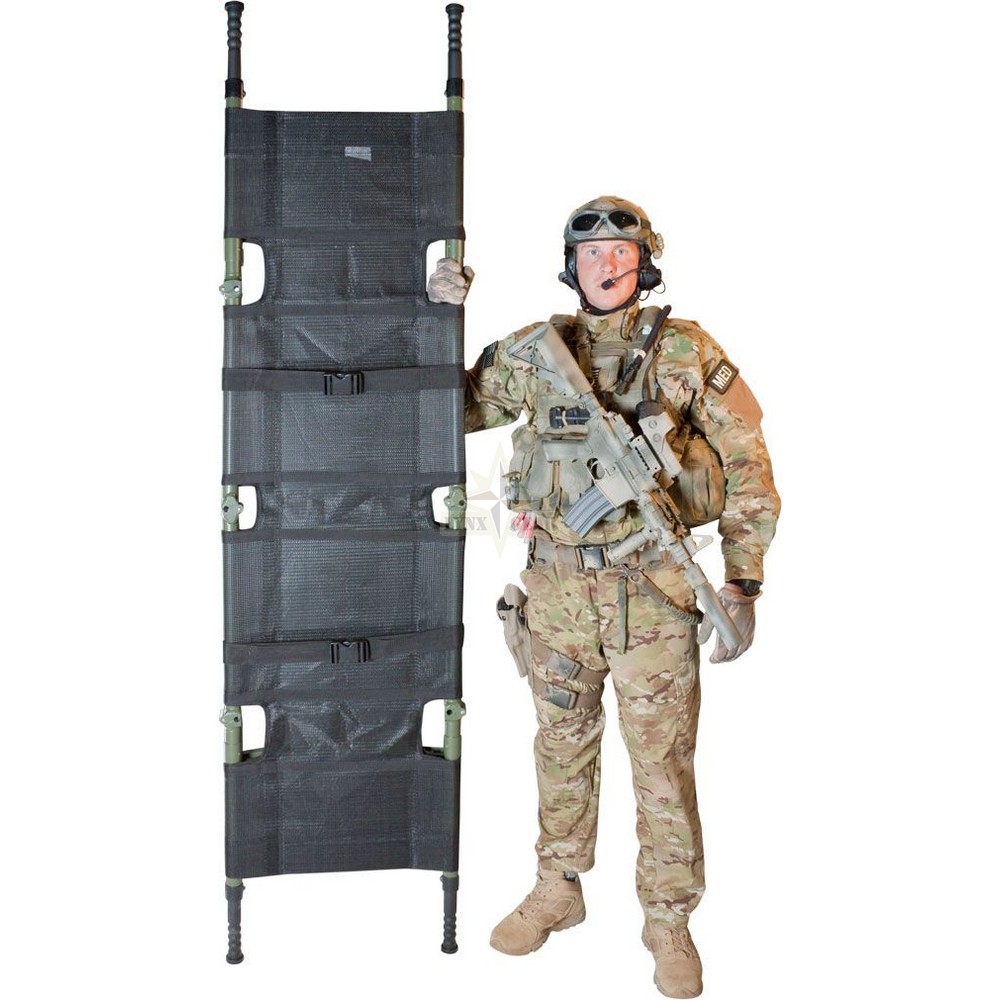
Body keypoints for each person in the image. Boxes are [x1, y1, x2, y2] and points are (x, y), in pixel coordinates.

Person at [428, 196, 780, 998]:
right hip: (556, 591)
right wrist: (436, 315)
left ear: (644, 261)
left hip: (650, 593)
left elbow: (748, 463)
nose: (607, 264)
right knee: (560, 746)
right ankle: (558, 887)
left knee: (661, 763)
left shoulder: (686, 350)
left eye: (622, 251)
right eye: (591, 253)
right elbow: (450, 406)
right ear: (572, 265)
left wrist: (744, 578)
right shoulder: (535, 351)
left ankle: (668, 919)